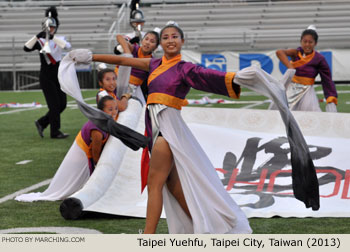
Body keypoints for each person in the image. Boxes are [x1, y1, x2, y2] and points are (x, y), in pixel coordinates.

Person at [73, 24, 252, 234]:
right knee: (174, 186)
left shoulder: (185, 68)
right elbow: (123, 60)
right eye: (165, 37)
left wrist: (236, 78)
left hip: (167, 132)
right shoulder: (154, 63)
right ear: (162, 43)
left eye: (175, 36)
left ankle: (149, 237)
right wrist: (90, 57)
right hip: (156, 128)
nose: (170, 40)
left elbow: (209, 75)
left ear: (182, 41)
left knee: (154, 184)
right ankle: (207, 228)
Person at [15, 96, 118, 202]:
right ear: (101, 111)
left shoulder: (105, 122)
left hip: (86, 154)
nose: (114, 112)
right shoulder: (97, 130)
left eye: (116, 108)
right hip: (82, 156)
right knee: (74, 186)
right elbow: (96, 157)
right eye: (110, 109)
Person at [24, 6, 72, 139]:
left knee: (62, 104)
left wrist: (52, 36)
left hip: (58, 76)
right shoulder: (39, 41)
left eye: (52, 27)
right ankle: (55, 132)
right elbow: (26, 48)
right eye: (48, 27)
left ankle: (42, 122)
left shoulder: (59, 39)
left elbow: (67, 47)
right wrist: (36, 36)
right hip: (46, 77)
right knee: (55, 105)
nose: (50, 29)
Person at [274, 25, 338, 112]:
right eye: (305, 42)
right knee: (280, 113)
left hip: (307, 92)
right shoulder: (296, 53)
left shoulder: (319, 59)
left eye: (310, 42)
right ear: (301, 42)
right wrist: (291, 68)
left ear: (315, 43)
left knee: (312, 114)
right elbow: (279, 52)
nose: (307, 45)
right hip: (290, 88)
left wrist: (331, 98)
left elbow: (327, 80)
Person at [114, 31, 159, 104]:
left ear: (156, 47)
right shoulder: (134, 49)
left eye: (152, 41)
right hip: (116, 83)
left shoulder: (152, 62)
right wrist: (128, 53)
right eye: (146, 39)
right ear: (142, 41)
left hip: (133, 90)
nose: (147, 42)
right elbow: (119, 37)